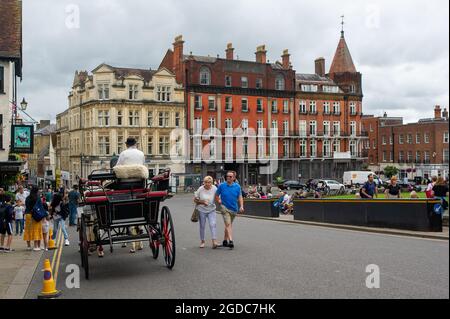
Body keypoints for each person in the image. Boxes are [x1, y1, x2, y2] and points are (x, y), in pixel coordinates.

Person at [215, 171, 244, 249]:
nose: (228, 178)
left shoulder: (237, 186)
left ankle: (225, 240)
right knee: (228, 224)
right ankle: (230, 241)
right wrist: (219, 201)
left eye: (230, 176)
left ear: (234, 178)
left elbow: (240, 197)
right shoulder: (222, 186)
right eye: (227, 176)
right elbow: (217, 195)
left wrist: (241, 206)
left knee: (228, 225)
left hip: (234, 209)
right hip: (224, 208)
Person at [194, 176, 219, 249]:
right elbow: (195, 200)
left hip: (211, 209)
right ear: (204, 182)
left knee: (213, 224)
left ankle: (214, 241)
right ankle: (202, 241)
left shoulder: (214, 188)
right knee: (202, 226)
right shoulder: (200, 189)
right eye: (206, 182)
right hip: (202, 210)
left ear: (212, 182)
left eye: (209, 182)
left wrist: (220, 200)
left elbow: (218, 197)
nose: (208, 184)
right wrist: (202, 202)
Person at [23, 186, 43, 251]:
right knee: (36, 230)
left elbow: (26, 206)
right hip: (35, 216)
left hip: (28, 215)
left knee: (28, 230)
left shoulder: (27, 198)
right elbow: (40, 207)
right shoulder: (37, 198)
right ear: (36, 191)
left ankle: (28, 246)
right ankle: (36, 246)